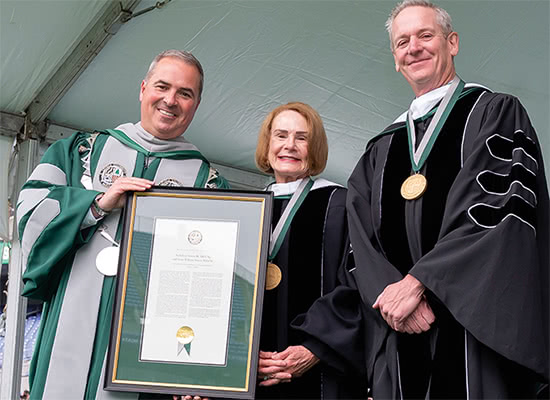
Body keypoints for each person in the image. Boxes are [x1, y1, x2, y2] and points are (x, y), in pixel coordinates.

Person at [293, 1, 549, 398]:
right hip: (399, 331)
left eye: (425, 36)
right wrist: (390, 296)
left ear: (453, 43)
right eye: (402, 41)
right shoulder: (380, 149)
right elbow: (360, 242)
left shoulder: (493, 113)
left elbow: (497, 212)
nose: (414, 47)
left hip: (472, 329)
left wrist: (419, 285)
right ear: (395, 59)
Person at [16, 50, 228, 399]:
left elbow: (213, 289)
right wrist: (95, 205)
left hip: (143, 350)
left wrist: (197, 368)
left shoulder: (207, 183)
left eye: (185, 93)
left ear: (196, 104)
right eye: (162, 86)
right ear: (143, 88)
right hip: (68, 327)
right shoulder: (82, 151)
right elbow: (30, 212)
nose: (170, 100)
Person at [253, 102, 366, 399]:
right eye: (280, 136)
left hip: (319, 374)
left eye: (301, 138)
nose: (289, 146)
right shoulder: (245, 208)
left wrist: (315, 347)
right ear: (267, 145)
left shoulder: (340, 204)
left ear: (313, 148)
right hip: (251, 375)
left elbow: (358, 285)